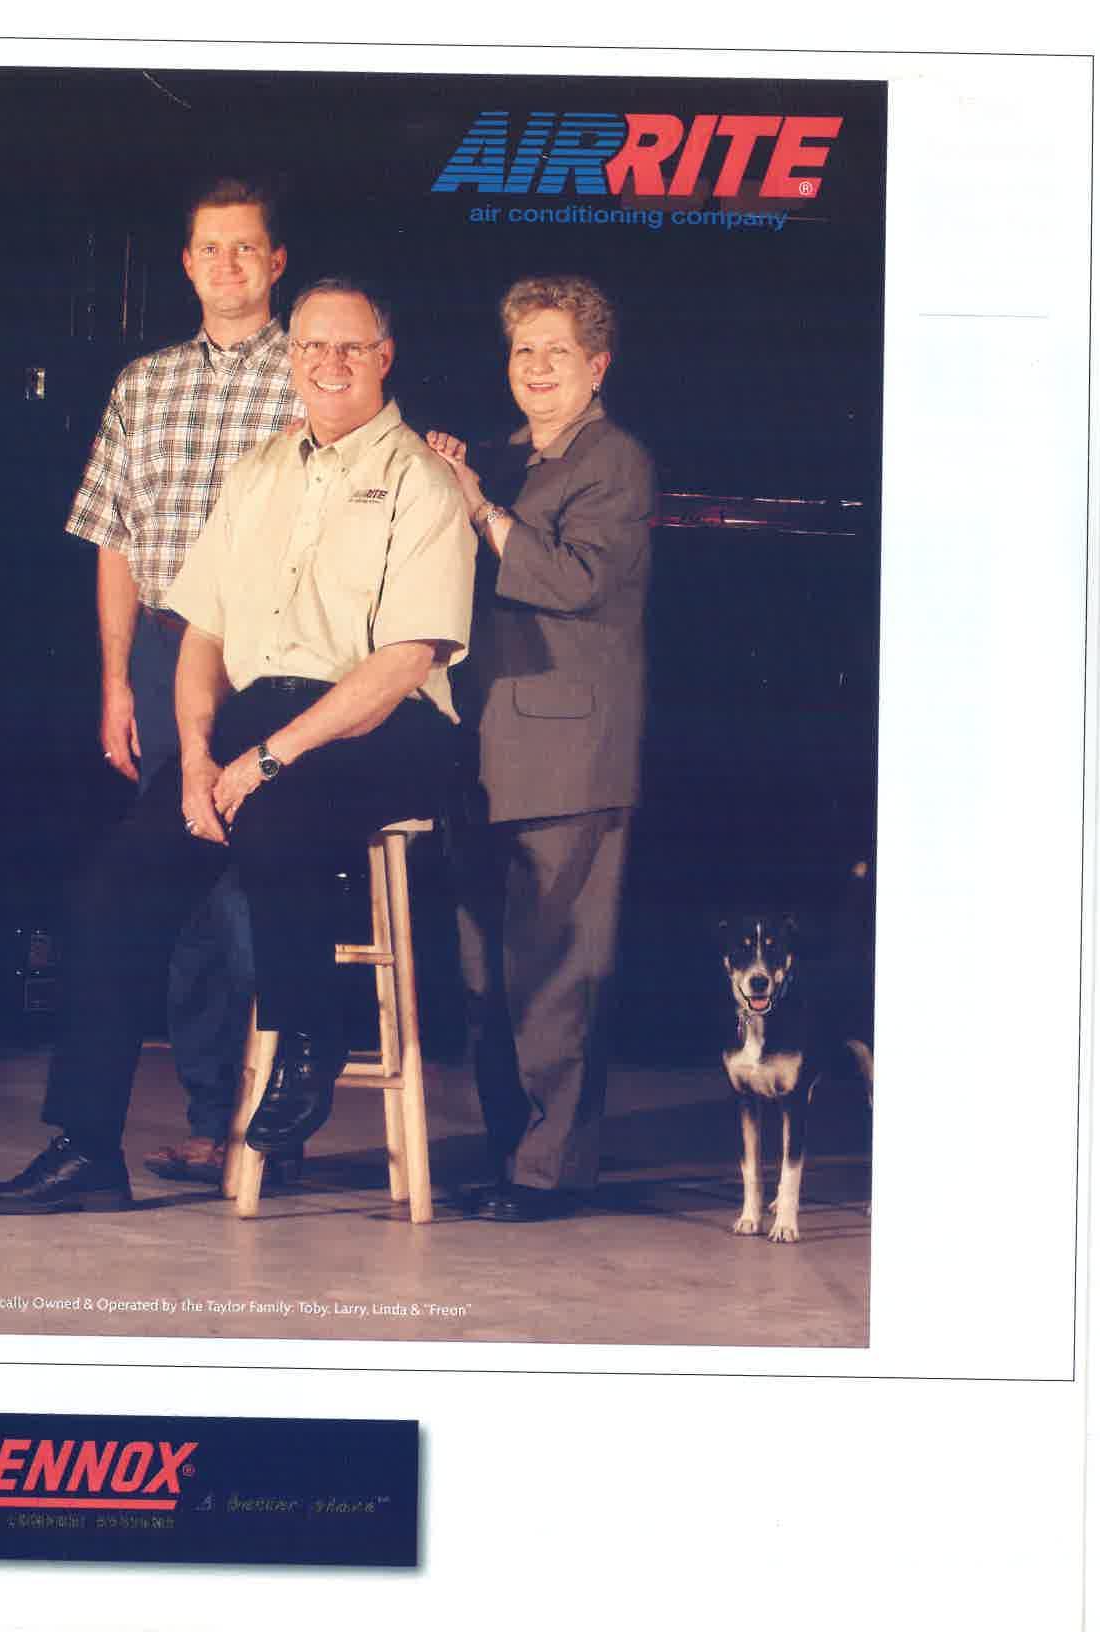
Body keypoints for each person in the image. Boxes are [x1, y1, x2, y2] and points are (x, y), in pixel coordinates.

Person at [0, 278, 476, 1214]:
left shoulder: (421, 481)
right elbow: (201, 631)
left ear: (384, 356)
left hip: (386, 722)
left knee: (276, 821)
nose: (329, 363)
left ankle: (310, 1040)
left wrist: (266, 761)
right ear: (292, 358)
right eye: (312, 346)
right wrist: (199, 755)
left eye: (351, 347)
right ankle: (86, 1147)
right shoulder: (257, 472)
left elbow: (404, 660)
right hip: (257, 714)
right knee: (111, 887)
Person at [63, 177, 301, 1185]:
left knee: (255, 893)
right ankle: (211, 1123)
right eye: (211, 248)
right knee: (187, 898)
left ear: (275, 261)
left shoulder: (315, 370)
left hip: (273, 660)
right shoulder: (144, 383)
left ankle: (271, 1132)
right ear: (187, 263)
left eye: (246, 247)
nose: (228, 265)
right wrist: (118, 679)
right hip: (166, 656)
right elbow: (114, 537)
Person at [426, 273, 655, 1222]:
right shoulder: (502, 456)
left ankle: (548, 1174)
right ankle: (506, 1158)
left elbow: (572, 582)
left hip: (567, 759)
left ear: (597, 365)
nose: (537, 367)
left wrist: (480, 508)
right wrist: (450, 477)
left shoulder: (616, 460)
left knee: (555, 978)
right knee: (487, 979)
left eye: (557, 350)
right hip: (482, 749)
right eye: (524, 349)